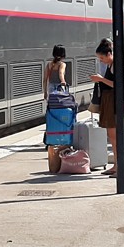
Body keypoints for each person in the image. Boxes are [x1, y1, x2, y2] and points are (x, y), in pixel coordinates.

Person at [90, 38, 124, 176]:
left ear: (109, 54)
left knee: (116, 136)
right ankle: (117, 165)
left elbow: (118, 85)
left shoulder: (115, 65)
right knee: (112, 136)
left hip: (114, 103)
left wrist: (100, 79)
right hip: (110, 102)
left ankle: (123, 167)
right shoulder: (111, 65)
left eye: (101, 58)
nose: (101, 61)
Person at [44, 44, 72, 173]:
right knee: (61, 114)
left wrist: (45, 92)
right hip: (59, 91)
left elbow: (45, 79)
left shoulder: (49, 64)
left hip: (50, 90)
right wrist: (63, 83)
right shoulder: (62, 64)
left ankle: (50, 138)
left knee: (51, 114)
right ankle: (62, 136)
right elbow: (61, 74)